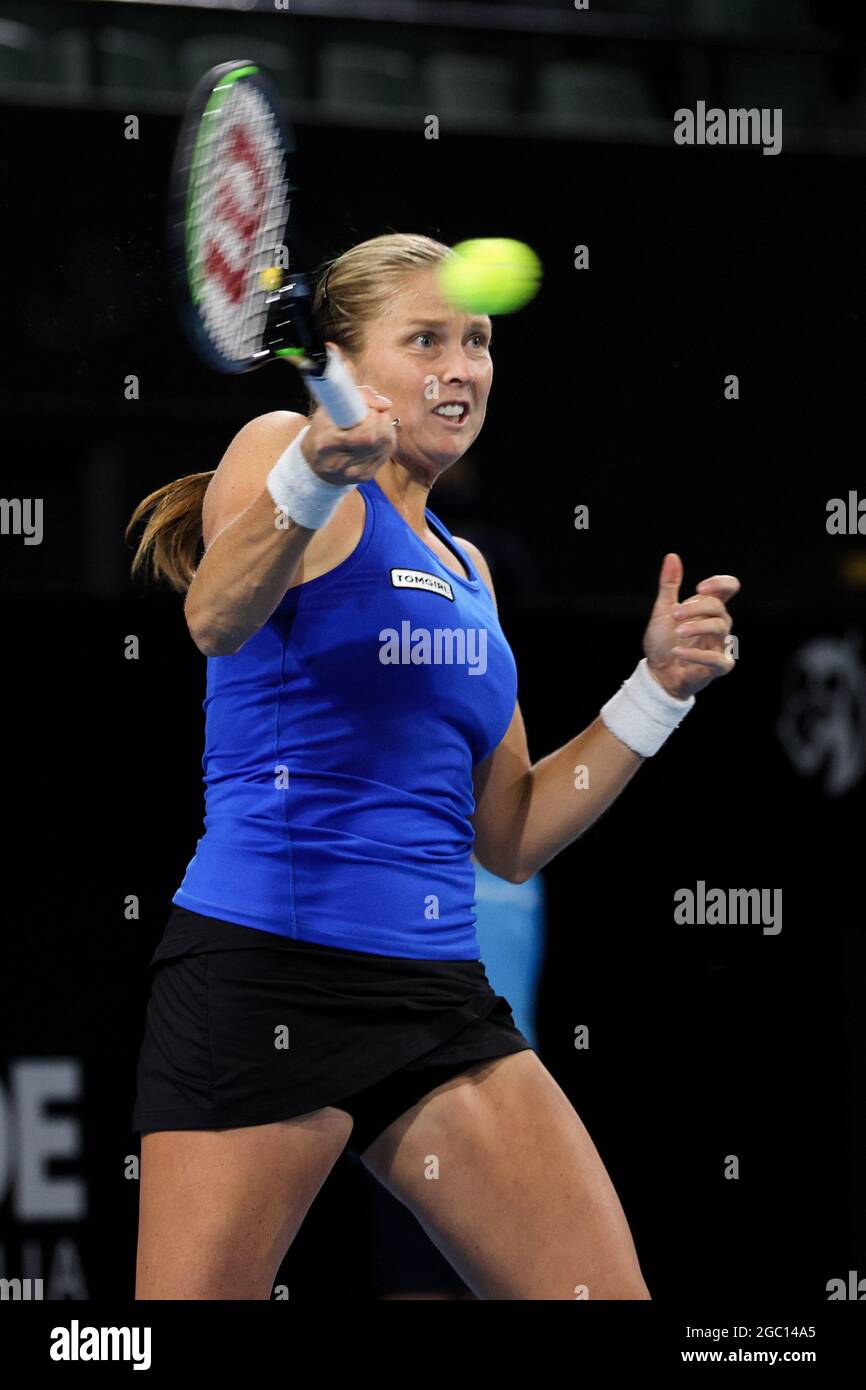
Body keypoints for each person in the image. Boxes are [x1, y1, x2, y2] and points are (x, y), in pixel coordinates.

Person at [126, 232, 739, 1300]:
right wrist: (314, 473)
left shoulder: (467, 569)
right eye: (426, 340)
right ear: (347, 364)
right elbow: (214, 619)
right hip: (266, 968)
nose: (462, 367)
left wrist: (653, 694)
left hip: (436, 999)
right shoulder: (283, 446)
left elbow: (506, 835)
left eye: (478, 341)